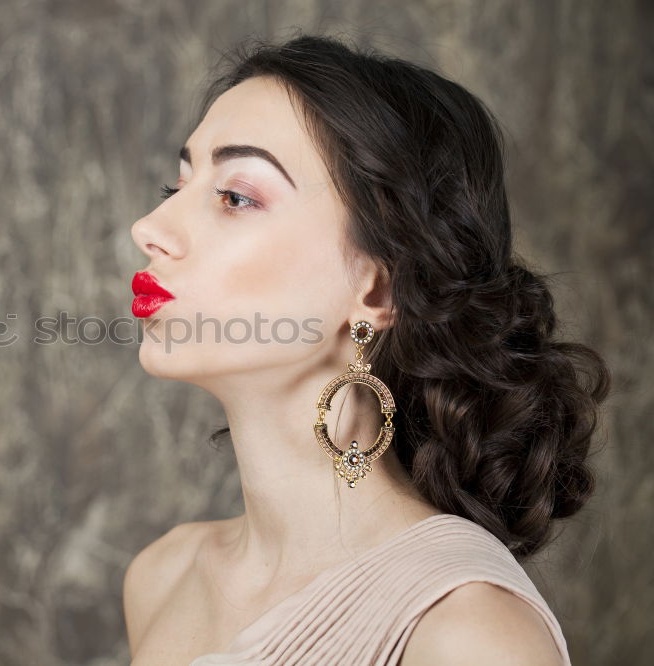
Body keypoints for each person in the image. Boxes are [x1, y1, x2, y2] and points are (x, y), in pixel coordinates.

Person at [123, 31, 610, 666]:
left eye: (236, 197)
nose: (150, 229)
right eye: (176, 188)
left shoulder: (468, 634)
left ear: (377, 290)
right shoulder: (162, 578)